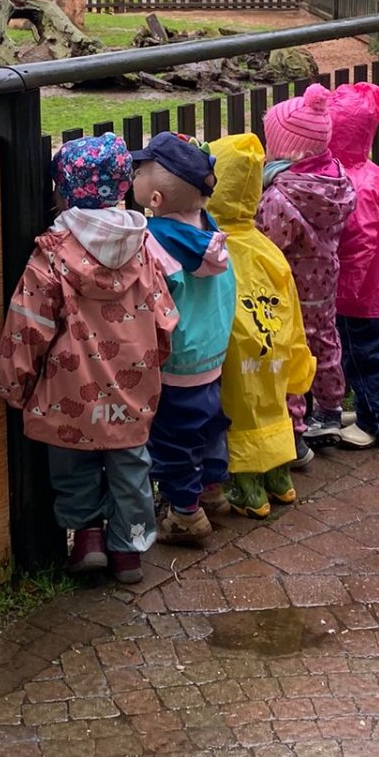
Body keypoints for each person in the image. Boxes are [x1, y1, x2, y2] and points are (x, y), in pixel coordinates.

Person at [0, 133, 178, 585]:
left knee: (72, 468)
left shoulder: (52, 256)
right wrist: (155, 363)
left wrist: (13, 385)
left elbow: (27, 325)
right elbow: (164, 317)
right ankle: (128, 550)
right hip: (131, 387)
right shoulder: (142, 249)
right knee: (131, 467)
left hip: (69, 392)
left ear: (63, 190)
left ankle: (87, 539)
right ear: (122, 186)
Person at [131, 130, 236, 544]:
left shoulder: (153, 240)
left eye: (139, 172)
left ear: (155, 200)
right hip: (211, 352)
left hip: (177, 360)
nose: (133, 176)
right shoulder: (208, 230)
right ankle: (212, 491)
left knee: (174, 438)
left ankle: (185, 514)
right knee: (207, 425)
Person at [205, 133, 318, 517]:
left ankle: (249, 491)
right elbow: (291, 304)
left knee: (240, 413)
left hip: (234, 350)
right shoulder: (265, 247)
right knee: (272, 406)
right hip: (273, 342)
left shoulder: (213, 246)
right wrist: (297, 358)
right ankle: (280, 480)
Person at [256, 85, 362, 451]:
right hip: (325, 281)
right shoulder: (336, 178)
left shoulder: (279, 196)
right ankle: (330, 410)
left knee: (290, 352)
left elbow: (267, 244)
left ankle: (295, 427)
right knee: (325, 342)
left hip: (290, 291)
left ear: (288, 147)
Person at [331, 82, 379, 445]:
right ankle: (370, 408)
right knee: (369, 352)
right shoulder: (371, 172)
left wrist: (346, 290)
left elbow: (360, 242)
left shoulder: (351, 182)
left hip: (359, 294)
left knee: (367, 357)